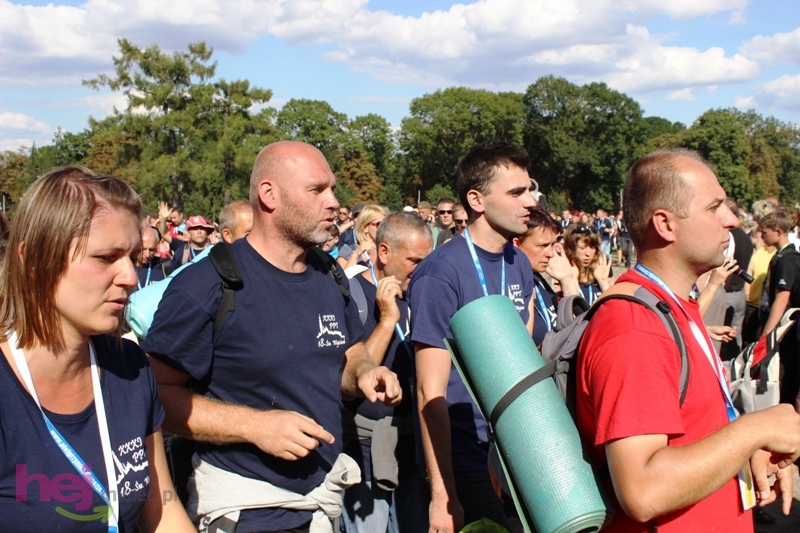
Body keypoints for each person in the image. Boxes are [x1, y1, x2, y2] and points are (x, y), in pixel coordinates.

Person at [142, 141, 401, 532]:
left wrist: (365, 371)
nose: (334, 202)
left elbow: (348, 354)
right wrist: (255, 427)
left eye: (332, 189)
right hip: (247, 508)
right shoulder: (207, 284)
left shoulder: (329, 275)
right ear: (269, 194)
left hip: (323, 505)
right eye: (317, 190)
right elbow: (152, 396)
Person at [576, 148, 800, 532]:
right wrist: (756, 429)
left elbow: (693, 435)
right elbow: (642, 490)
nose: (731, 219)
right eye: (714, 207)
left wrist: (744, 453)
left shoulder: (672, 305)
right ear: (665, 224)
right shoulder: (635, 327)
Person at [0, 165, 193, 532]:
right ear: (35, 261)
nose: (130, 277)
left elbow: (162, 512)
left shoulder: (129, 368)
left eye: (132, 257)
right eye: (106, 258)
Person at [408, 140, 536, 532]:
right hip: (464, 461)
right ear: (477, 200)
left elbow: (522, 365)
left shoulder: (519, 262)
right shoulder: (440, 273)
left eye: (530, 190)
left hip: (513, 454)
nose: (530, 202)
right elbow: (429, 392)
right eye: (516, 193)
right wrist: (443, 495)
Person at [342, 212, 433, 533]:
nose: (421, 270)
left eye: (427, 261)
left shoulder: (421, 295)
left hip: (412, 450)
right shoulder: (349, 295)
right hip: (364, 456)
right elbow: (353, 376)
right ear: (384, 252)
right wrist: (387, 320)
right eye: (414, 260)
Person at [513, 206, 580, 347]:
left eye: (552, 244)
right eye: (543, 245)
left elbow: (576, 331)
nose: (550, 253)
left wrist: (568, 280)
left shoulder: (538, 280)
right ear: (517, 244)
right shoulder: (510, 286)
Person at [563, 224, 611, 305]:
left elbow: (612, 308)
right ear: (571, 248)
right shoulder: (562, 279)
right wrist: (572, 281)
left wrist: (603, 282)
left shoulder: (597, 277)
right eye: (582, 248)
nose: (588, 253)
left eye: (592, 248)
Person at [343, 205, 389, 270]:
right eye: (379, 224)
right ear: (365, 227)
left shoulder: (388, 251)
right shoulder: (347, 251)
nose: (383, 228)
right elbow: (344, 276)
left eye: (385, 224)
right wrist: (356, 255)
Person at [136, 225, 167, 290]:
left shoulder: (163, 266)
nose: (147, 255)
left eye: (151, 250)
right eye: (143, 249)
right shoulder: (122, 268)